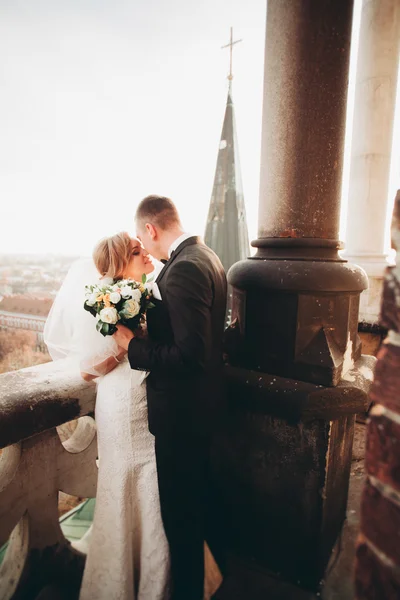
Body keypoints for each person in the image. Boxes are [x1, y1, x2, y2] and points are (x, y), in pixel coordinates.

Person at [44, 232, 171, 600]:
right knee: (123, 482)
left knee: (153, 483)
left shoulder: (148, 292)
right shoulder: (103, 301)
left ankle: (155, 580)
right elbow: (86, 371)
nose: (144, 252)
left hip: (150, 397)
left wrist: (139, 343)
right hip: (120, 401)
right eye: (136, 251)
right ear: (119, 264)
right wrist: (125, 348)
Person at [114, 196, 227, 600]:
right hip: (200, 411)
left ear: (151, 230)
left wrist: (134, 348)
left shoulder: (182, 271)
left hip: (182, 417)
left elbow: (189, 355)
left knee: (181, 521)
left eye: (143, 239)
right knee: (197, 511)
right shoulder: (206, 256)